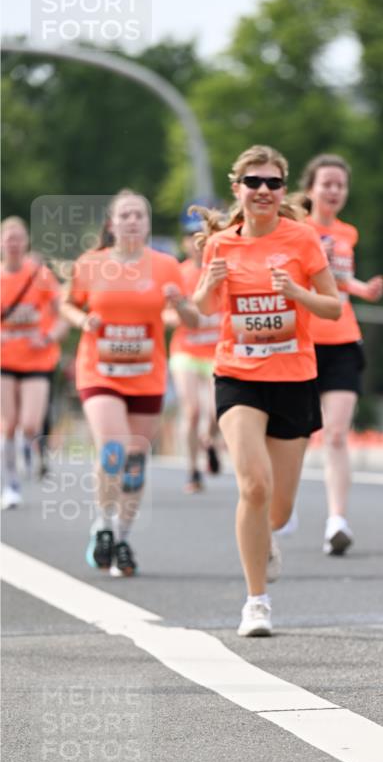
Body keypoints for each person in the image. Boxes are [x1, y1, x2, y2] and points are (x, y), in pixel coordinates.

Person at [192, 145, 340, 637]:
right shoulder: (220, 246)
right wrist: (206, 286)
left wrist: (297, 293)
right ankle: (257, 602)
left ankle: (266, 538)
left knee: (278, 509)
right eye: (253, 182)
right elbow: (202, 309)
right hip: (238, 375)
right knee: (253, 485)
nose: (263, 190)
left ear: (283, 190)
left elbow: (334, 308)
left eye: (273, 183)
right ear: (237, 188)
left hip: (294, 378)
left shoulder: (302, 239)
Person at [60, 189, 199, 576]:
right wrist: (82, 320)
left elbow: (191, 321)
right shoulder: (91, 264)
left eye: (140, 215)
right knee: (114, 448)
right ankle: (103, 525)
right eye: (125, 215)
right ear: (112, 223)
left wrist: (180, 302)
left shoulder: (166, 266)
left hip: (146, 374)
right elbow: (68, 303)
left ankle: (122, 537)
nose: (133, 221)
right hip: (99, 370)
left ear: (148, 223)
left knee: (136, 460)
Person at [298, 154, 383, 555]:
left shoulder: (348, 232)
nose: (334, 191)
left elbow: (339, 279)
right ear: (310, 189)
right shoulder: (295, 230)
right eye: (326, 184)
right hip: (301, 341)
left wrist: (364, 289)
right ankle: (279, 512)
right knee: (295, 435)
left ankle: (337, 521)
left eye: (340, 185)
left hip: (343, 340)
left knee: (335, 434)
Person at [1, 216, 68, 510]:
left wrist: (49, 336)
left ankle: (30, 448)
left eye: (18, 238)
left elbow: (63, 314)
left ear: (26, 242)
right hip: (5, 360)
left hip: (37, 359)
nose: (13, 244)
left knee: (29, 424)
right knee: (8, 424)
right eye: (8, 238)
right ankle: (11, 485)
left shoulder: (40, 275)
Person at [165, 213, 224, 493]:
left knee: (217, 411)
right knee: (191, 410)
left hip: (217, 351)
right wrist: (184, 317)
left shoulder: (220, 270)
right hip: (186, 350)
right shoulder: (178, 273)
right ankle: (192, 470)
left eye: (202, 236)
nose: (197, 242)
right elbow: (162, 314)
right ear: (184, 243)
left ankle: (208, 440)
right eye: (191, 237)